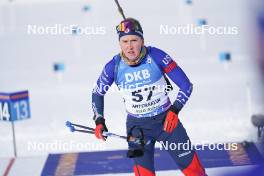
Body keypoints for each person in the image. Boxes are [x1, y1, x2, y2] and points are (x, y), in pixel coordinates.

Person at [92, 18, 207, 176]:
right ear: (119, 43)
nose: (129, 46)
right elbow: (97, 93)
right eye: (125, 41)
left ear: (142, 41)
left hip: (167, 122)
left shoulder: (157, 56)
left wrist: (175, 110)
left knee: (195, 172)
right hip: (137, 128)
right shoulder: (114, 66)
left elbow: (186, 85)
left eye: (134, 40)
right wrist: (99, 121)